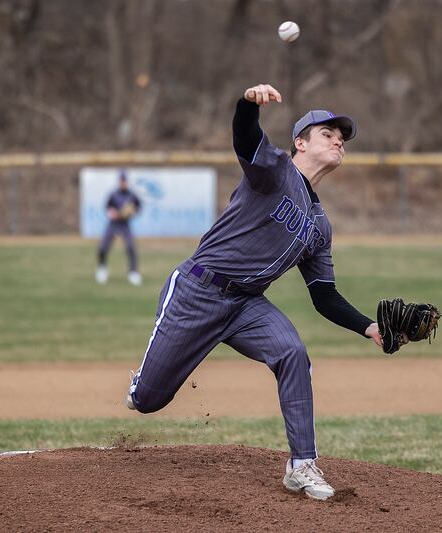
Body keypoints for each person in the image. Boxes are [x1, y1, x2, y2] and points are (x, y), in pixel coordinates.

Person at [125, 83, 383, 501]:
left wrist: (369, 327)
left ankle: (301, 465)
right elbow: (245, 138)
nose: (338, 140)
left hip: (246, 305)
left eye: (342, 137)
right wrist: (247, 104)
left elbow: (324, 295)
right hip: (197, 290)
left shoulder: (319, 226)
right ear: (300, 143)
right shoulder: (275, 171)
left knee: (292, 353)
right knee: (148, 401)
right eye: (327, 133)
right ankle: (141, 383)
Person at [95, 170, 143, 286]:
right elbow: (107, 208)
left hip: (125, 223)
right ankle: (102, 269)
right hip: (113, 223)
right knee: (103, 247)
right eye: (121, 181)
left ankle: (133, 272)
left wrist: (132, 212)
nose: (123, 183)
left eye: (124, 181)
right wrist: (112, 213)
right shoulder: (113, 195)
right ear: (119, 182)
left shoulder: (132, 195)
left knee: (130, 247)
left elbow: (138, 207)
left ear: (127, 182)